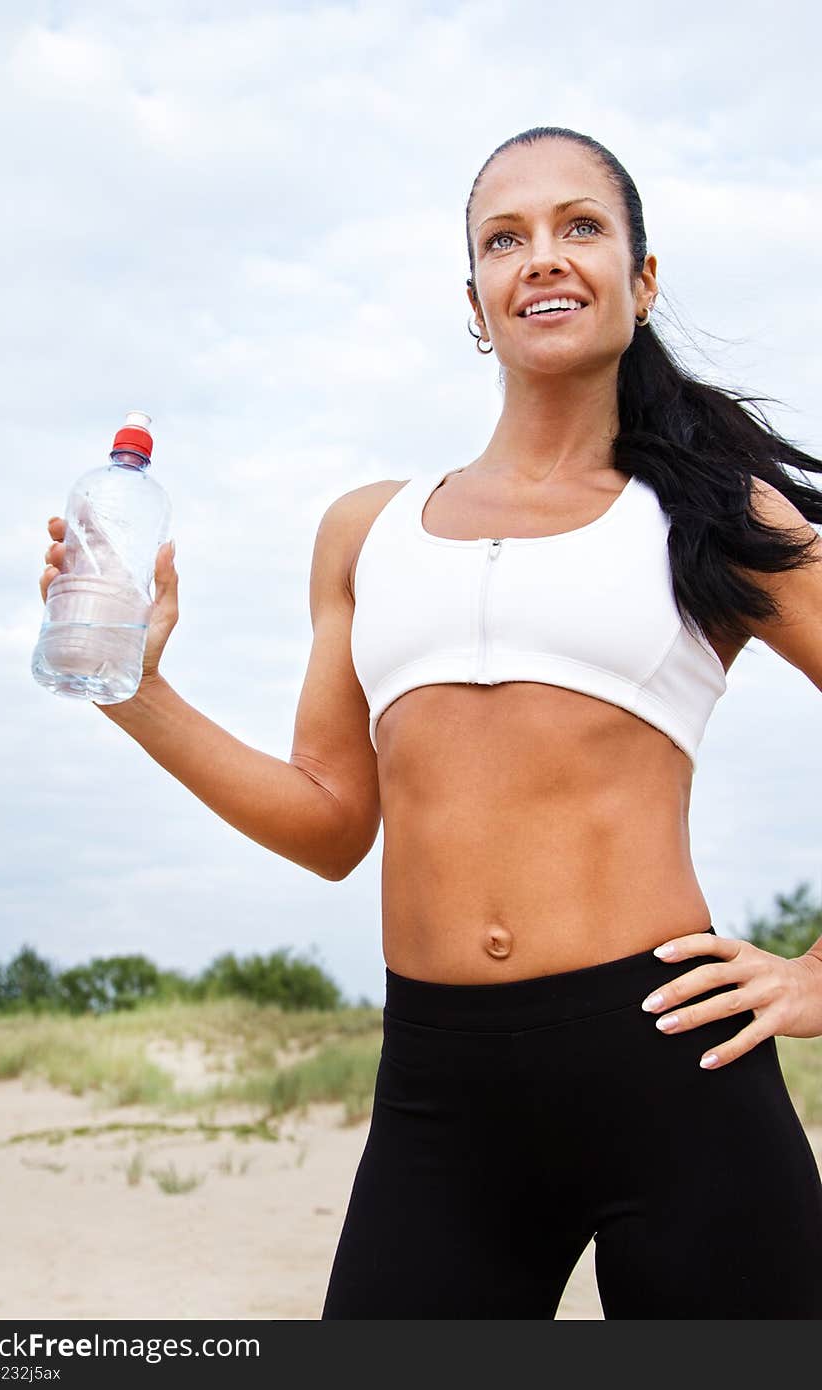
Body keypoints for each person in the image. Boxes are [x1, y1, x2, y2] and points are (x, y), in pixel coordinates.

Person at [40, 126, 822, 1319]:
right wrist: (135, 689)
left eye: (580, 227)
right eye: (505, 239)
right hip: (439, 1094)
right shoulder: (368, 529)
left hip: (673, 1066)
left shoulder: (709, 514)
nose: (542, 259)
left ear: (641, 278)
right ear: (475, 301)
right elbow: (331, 822)